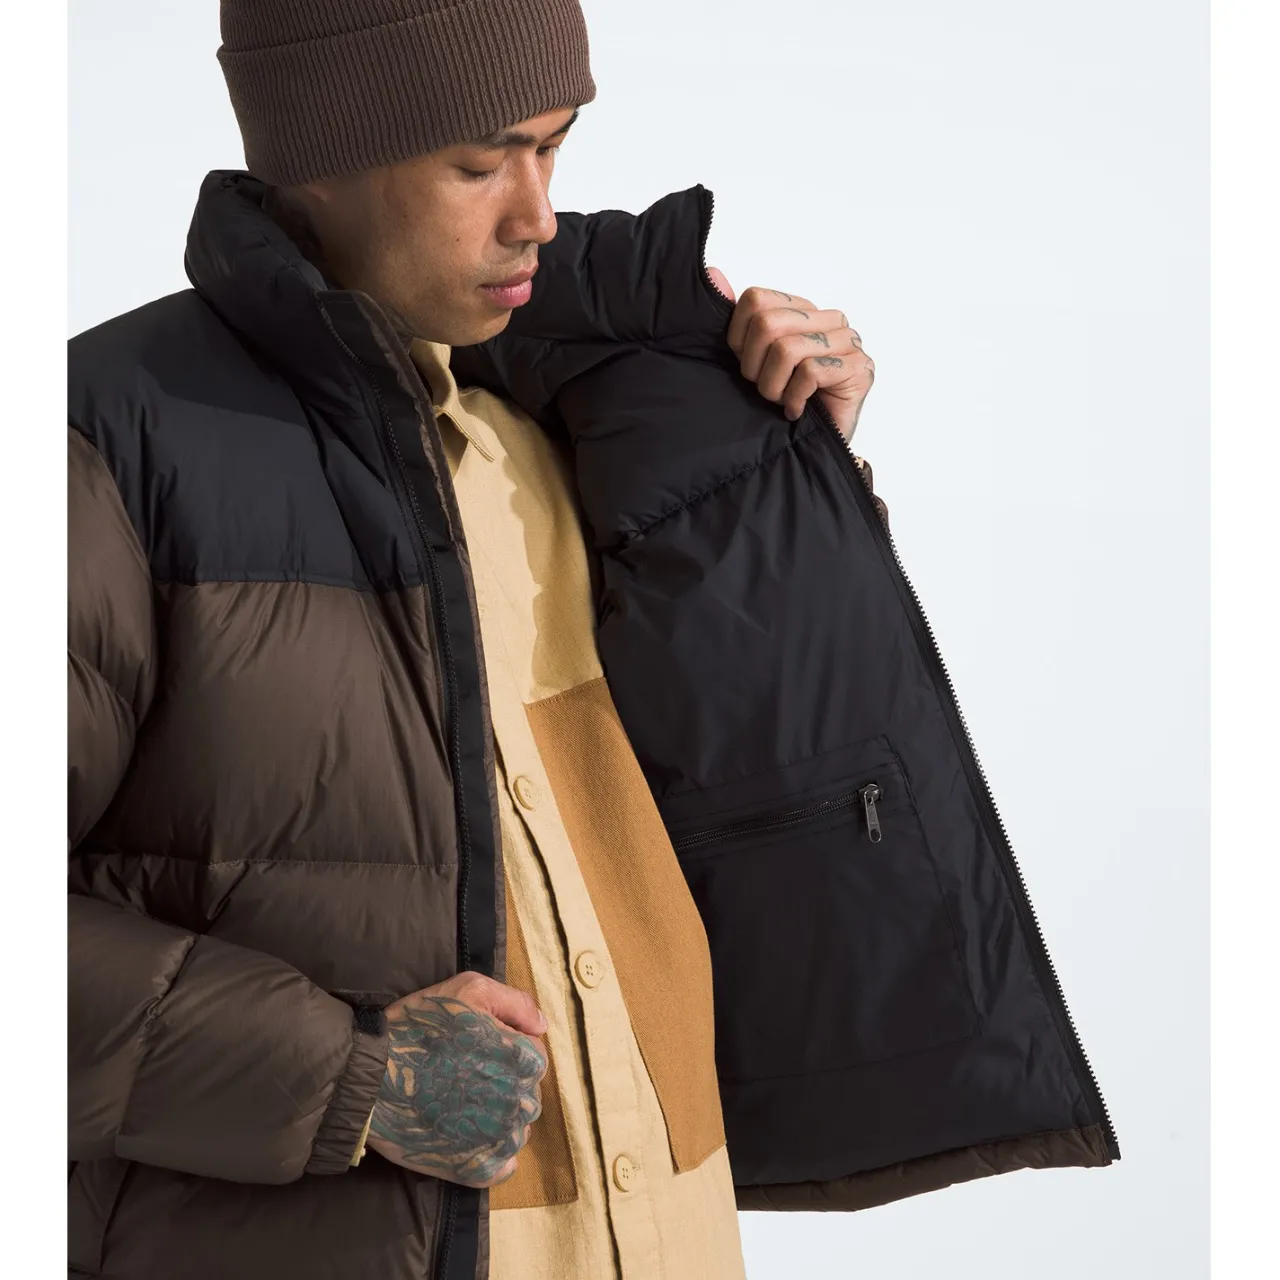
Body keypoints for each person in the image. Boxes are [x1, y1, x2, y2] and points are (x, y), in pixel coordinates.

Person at [69, 2, 1117, 1278]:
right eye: (478, 163)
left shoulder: (579, 420)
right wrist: (346, 1075)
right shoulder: (105, 443)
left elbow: (729, 766)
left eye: (554, 146)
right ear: (318, 154)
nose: (537, 216)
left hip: (667, 1234)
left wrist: (788, 485)